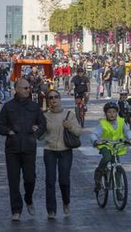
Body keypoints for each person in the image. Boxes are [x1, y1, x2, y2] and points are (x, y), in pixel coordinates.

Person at [0, 78, 47, 222]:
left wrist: (36, 133)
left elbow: (42, 124)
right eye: (24, 88)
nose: (28, 90)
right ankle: (16, 210)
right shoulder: (8, 106)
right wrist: (8, 131)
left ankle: (28, 198)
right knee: (13, 181)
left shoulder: (34, 106)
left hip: (29, 147)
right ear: (16, 89)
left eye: (28, 88)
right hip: (12, 148)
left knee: (30, 179)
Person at [41, 89, 81, 219]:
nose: (54, 100)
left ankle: (66, 201)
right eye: (51, 98)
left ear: (60, 99)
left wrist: (70, 126)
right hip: (50, 150)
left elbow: (78, 132)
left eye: (56, 97)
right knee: (50, 181)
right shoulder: (44, 116)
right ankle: (51, 210)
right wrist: (35, 130)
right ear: (48, 101)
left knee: (64, 180)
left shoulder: (69, 114)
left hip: (65, 151)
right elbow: (41, 136)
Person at [91, 102, 131, 192]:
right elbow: (94, 134)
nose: (112, 114)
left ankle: (118, 190)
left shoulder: (121, 122)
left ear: (117, 113)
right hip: (105, 145)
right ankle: (99, 172)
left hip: (116, 146)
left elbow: (127, 131)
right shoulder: (103, 124)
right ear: (105, 113)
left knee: (117, 167)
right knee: (107, 158)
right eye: (109, 112)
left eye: (114, 112)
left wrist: (130, 138)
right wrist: (96, 141)